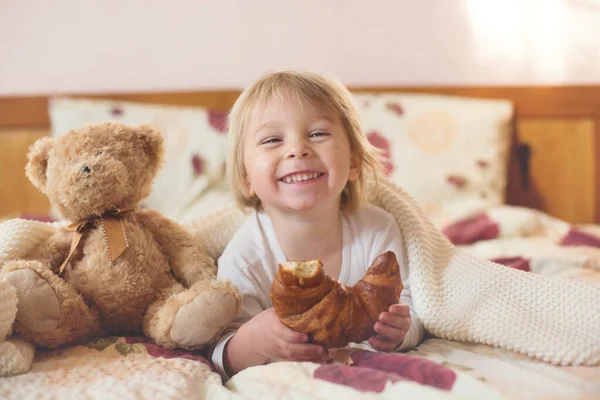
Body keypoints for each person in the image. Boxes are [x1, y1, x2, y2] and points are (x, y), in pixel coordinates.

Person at [210, 70, 424, 379]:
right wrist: (254, 340)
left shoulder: (378, 230)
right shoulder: (246, 256)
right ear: (246, 178)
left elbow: (415, 308)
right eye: (272, 140)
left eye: (317, 134)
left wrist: (399, 332)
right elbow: (220, 354)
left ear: (353, 161)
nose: (298, 149)